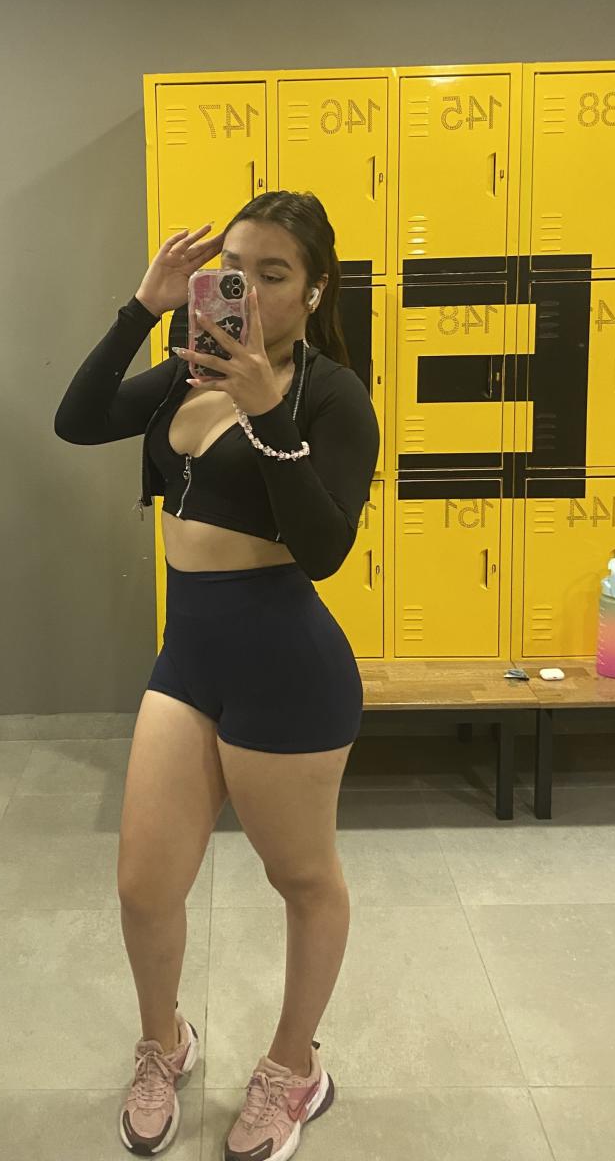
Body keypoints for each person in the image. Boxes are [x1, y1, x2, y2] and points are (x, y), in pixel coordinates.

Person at [54, 190, 379, 1160]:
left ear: (314, 290)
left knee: (302, 878)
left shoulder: (331, 397)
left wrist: (267, 409)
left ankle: (294, 1068)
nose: (248, 289)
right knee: (143, 884)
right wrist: (142, 307)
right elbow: (77, 420)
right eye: (233, 269)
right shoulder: (183, 371)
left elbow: (325, 549)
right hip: (189, 661)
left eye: (274, 274)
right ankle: (165, 1044)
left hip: (288, 669)